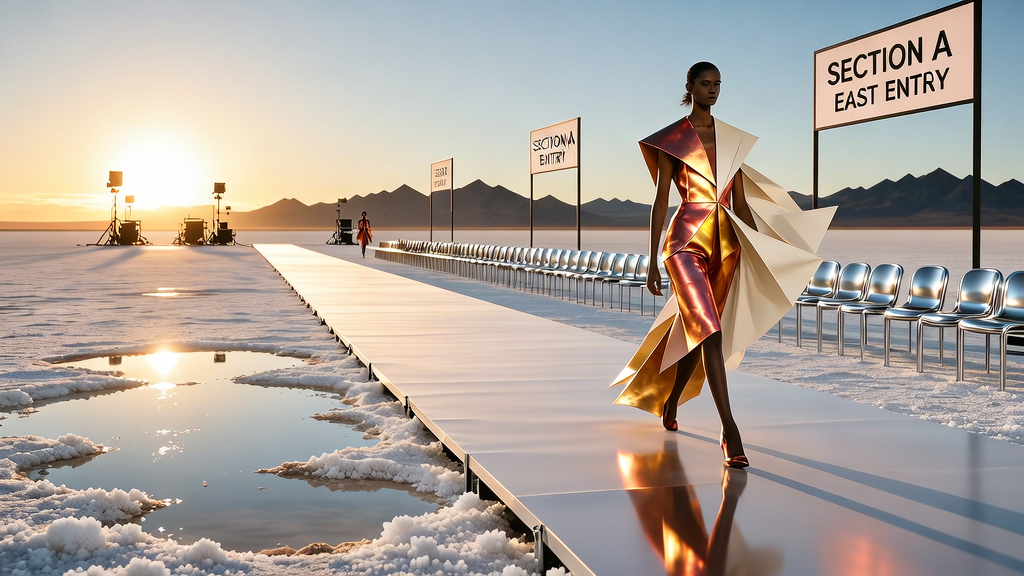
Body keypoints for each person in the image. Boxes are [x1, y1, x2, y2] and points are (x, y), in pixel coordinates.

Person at [611, 62, 834, 469]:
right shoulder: (672, 140)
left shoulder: (732, 140)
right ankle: (730, 430)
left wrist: (759, 248)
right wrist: (651, 260)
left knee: (698, 333)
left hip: (728, 246)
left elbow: (742, 204)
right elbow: (662, 201)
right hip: (683, 245)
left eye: (717, 85)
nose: (712, 90)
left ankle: (671, 399)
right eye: (705, 84)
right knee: (709, 332)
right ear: (689, 87)